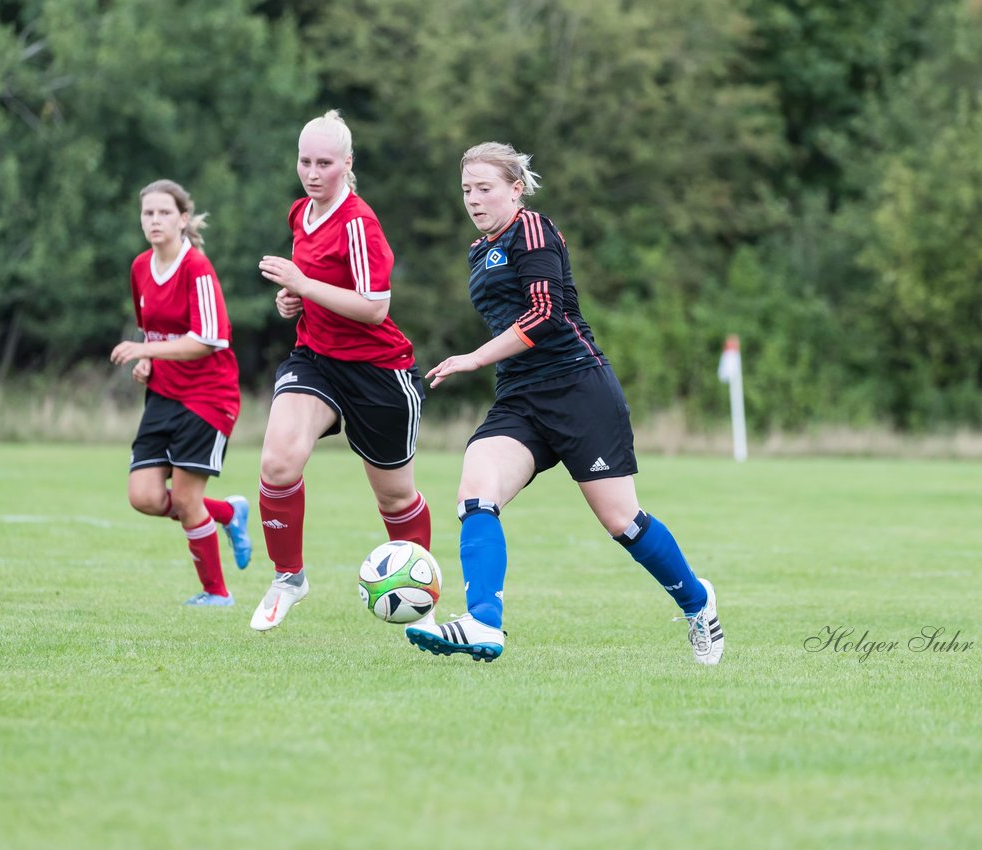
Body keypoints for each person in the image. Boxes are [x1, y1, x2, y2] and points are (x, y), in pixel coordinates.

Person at [405, 142, 724, 665]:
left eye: (485, 188)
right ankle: (483, 621)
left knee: (622, 521)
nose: (474, 199)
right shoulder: (477, 251)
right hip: (521, 398)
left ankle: (697, 601)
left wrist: (473, 358)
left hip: (578, 389)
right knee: (475, 493)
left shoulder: (533, 230)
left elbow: (545, 315)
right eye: (467, 190)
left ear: (515, 188)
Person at [250, 110, 431, 632]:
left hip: (378, 371)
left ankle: (419, 594)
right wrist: (294, 301)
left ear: (347, 164)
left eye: (324, 163)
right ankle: (289, 577)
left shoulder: (358, 222)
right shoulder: (299, 213)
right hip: (317, 360)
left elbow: (374, 306)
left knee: (394, 497)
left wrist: (303, 285)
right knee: (279, 461)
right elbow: (314, 289)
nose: (311, 172)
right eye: (304, 161)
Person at [110, 179, 254, 607]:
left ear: (183, 219)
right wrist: (147, 360)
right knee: (145, 497)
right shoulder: (139, 267)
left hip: (208, 398)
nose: (154, 221)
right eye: (147, 213)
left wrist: (146, 348)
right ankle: (228, 513)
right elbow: (152, 329)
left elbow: (208, 339)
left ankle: (217, 593)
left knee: (188, 500)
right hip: (162, 396)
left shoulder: (197, 269)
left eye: (164, 213)